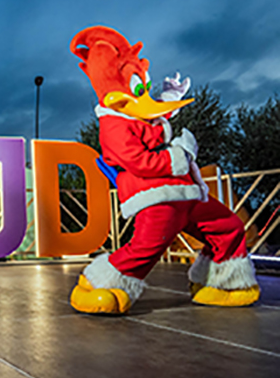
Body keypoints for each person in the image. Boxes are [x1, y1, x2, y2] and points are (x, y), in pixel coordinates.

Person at [68, 26, 259, 314]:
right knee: (145, 249)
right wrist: (179, 156)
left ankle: (223, 283)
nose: (144, 91)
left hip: (186, 193)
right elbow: (138, 161)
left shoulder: (135, 110)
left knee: (228, 227)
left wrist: (169, 99)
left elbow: (150, 114)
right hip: (157, 197)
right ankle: (96, 286)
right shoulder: (114, 124)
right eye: (138, 85)